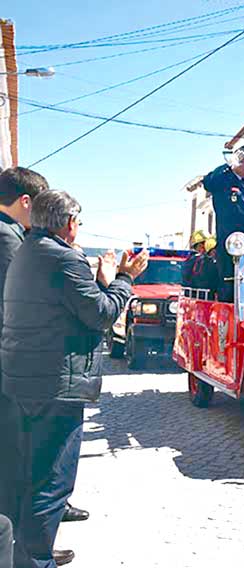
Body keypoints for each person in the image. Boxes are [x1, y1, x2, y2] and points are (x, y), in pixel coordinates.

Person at [3, 190, 148, 568]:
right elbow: (101, 314)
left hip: (23, 380)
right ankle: (35, 560)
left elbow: (70, 308)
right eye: (78, 221)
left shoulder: (28, 251)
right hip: (55, 386)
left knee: (27, 477)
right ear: (69, 223)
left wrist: (101, 280)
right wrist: (124, 279)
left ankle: (24, 554)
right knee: (51, 482)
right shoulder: (64, 258)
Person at [0, 168, 49, 557]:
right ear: (26, 201)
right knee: (13, 456)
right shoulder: (7, 237)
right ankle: (20, 548)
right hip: (10, 363)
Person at [203, 145, 244, 303]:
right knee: (229, 291)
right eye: (243, 161)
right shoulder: (224, 180)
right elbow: (208, 182)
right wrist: (229, 165)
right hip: (230, 248)